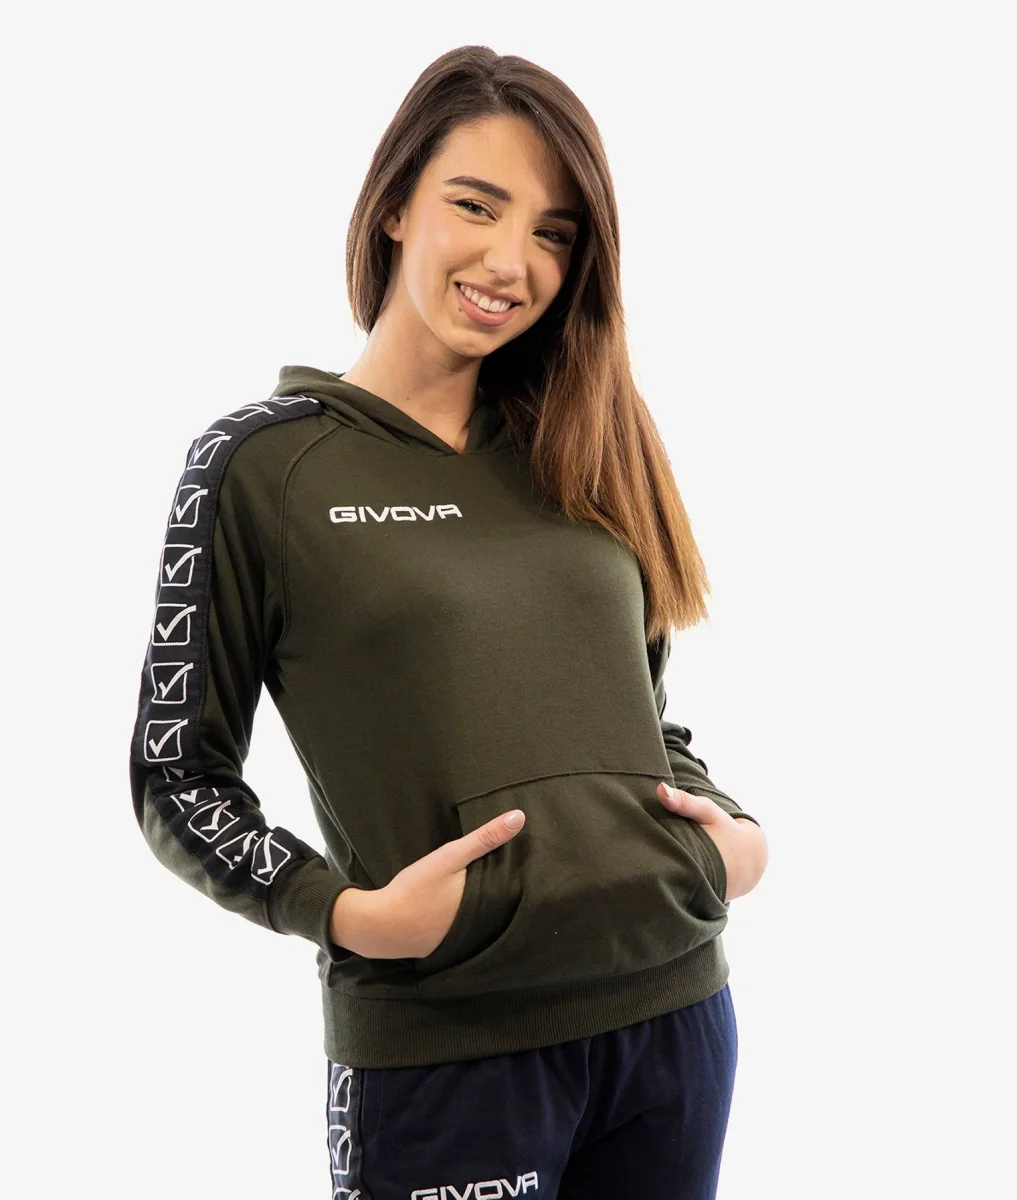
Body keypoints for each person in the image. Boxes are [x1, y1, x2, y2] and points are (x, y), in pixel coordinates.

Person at [128, 43, 768, 1200]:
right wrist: (346, 913)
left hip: (675, 1019)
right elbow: (177, 773)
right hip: (446, 1054)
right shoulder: (263, 465)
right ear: (393, 207)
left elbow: (641, 724)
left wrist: (728, 834)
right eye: (476, 205)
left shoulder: (581, 448)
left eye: (554, 233)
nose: (511, 260)